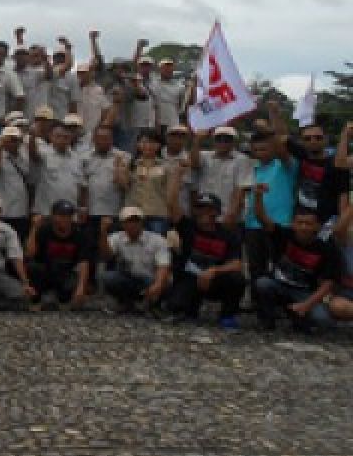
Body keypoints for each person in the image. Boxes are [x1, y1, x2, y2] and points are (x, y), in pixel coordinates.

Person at [250, 186, 342, 333]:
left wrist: (307, 304)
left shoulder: (328, 249)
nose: (303, 227)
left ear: (317, 227)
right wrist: (258, 197)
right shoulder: (285, 235)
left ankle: (296, 315)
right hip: (279, 285)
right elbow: (263, 219)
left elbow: (328, 284)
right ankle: (267, 321)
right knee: (262, 283)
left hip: (304, 292)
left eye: (308, 224)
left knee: (324, 321)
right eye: (300, 223)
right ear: (293, 224)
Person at [164, 193, 245, 330]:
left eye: (208, 208)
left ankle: (227, 316)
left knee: (237, 279)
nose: (203, 211)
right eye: (199, 207)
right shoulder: (188, 226)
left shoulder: (228, 234)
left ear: (217, 212)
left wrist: (213, 271)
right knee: (175, 307)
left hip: (214, 281)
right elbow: (171, 203)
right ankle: (189, 309)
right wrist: (178, 173)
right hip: (190, 279)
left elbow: (237, 264)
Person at [240, 129, 298, 280]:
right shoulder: (251, 169)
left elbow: (283, 153)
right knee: (255, 267)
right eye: (256, 149)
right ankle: (256, 301)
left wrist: (272, 128)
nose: (260, 153)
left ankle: (279, 301)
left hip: (280, 224)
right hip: (253, 224)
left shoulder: (286, 166)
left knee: (280, 266)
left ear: (274, 148)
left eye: (264, 149)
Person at [98, 207, 172, 315]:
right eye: (128, 221)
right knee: (107, 277)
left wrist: (158, 284)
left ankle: (155, 305)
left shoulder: (158, 239)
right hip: (130, 278)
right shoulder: (116, 237)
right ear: (122, 224)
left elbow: (164, 265)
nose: (132, 224)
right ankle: (127, 303)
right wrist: (103, 231)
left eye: (136, 220)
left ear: (142, 222)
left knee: (166, 282)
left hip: (151, 279)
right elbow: (106, 256)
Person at [24, 200, 92, 311]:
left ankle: (62, 299)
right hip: (45, 271)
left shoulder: (79, 233)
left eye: (68, 215)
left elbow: (84, 262)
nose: (65, 219)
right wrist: (34, 227)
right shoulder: (44, 229)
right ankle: (36, 300)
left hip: (66, 273)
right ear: (53, 216)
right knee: (32, 267)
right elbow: (29, 253)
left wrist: (81, 288)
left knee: (75, 283)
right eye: (61, 215)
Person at [116, 129, 182, 235]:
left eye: (152, 142)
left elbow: (171, 195)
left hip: (158, 215)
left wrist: (173, 214)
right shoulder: (131, 164)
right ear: (138, 144)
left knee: (155, 247)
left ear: (159, 145)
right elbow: (124, 185)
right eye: (144, 142)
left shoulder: (167, 167)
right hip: (133, 215)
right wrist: (119, 168)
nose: (148, 145)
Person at [79, 124, 127, 253]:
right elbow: (83, 186)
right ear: (94, 139)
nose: (103, 141)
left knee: (111, 249)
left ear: (112, 139)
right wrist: (83, 207)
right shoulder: (85, 157)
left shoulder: (123, 156)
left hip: (114, 212)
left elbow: (125, 186)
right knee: (90, 248)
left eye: (106, 138)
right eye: (99, 138)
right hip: (91, 212)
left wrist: (118, 168)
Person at [189, 126, 251, 224]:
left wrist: (232, 214)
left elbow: (240, 189)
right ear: (214, 141)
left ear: (233, 142)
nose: (223, 142)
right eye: (219, 139)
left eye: (227, 140)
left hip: (229, 216)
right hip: (205, 216)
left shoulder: (242, 159)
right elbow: (194, 164)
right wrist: (197, 140)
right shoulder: (204, 156)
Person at [0, 124, 31, 238]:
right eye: (10, 139)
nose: (12, 142)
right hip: (1, 207)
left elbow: (28, 174)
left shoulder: (24, 154)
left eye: (15, 140)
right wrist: (0, 147)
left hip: (20, 206)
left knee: (19, 237)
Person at [148, 58, 185, 131]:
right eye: (165, 67)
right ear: (160, 69)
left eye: (170, 68)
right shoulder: (152, 82)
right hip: (155, 123)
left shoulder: (180, 86)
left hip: (173, 122)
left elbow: (181, 105)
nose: (168, 70)